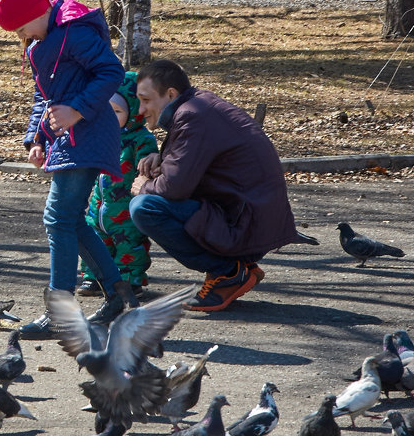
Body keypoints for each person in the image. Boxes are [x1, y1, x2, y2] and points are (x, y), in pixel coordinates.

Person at [0, 0, 134, 337]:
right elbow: (46, 97)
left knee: (57, 218)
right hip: (68, 138)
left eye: (22, 27)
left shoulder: (75, 31)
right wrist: (36, 139)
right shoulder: (40, 43)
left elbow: (110, 72)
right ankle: (118, 294)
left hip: (89, 134)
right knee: (70, 221)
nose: (22, 36)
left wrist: (76, 110)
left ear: (39, 11)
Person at [128, 59, 298, 312]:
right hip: (249, 217)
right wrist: (163, 161)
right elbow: (203, 163)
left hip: (245, 223)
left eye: (146, 100)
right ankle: (237, 266)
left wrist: (143, 185)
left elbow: (175, 188)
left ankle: (227, 272)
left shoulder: (191, 115)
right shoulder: (198, 106)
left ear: (170, 94)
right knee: (151, 201)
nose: (140, 110)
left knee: (144, 207)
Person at [77, 71, 158, 298]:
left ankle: (130, 280)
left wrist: (149, 163)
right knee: (95, 241)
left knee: (129, 245)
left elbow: (148, 162)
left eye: (118, 111)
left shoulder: (141, 138)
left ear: (132, 111)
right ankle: (94, 277)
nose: (110, 117)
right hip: (98, 205)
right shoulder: (99, 135)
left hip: (124, 209)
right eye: (106, 111)